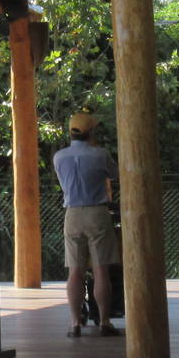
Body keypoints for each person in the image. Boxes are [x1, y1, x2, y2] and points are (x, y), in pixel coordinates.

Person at [53, 110, 121, 339]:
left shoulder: (58, 157)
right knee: (101, 270)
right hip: (97, 212)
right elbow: (115, 174)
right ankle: (104, 320)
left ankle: (74, 323)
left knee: (75, 270)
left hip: (71, 214)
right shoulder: (100, 155)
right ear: (91, 132)